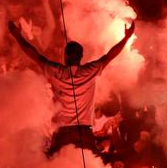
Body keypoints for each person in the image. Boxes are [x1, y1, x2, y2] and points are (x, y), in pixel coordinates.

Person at [8, 19, 135, 155]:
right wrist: (126, 38)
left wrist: (18, 36)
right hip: (84, 133)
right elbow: (110, 55)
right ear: (81, 56)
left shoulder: (56, 71)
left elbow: (35, 55)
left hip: (63, 133)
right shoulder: (90, 70)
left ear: (65, 56)